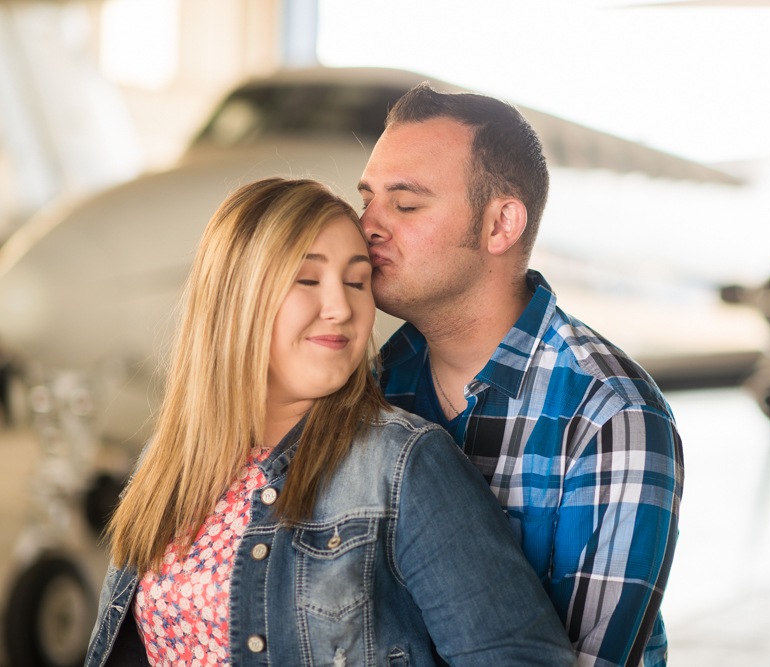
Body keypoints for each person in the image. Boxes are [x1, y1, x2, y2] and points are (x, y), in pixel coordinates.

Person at [84, 177, 576, 667]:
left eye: (357, 282)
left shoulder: (404, 465)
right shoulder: (166, 463)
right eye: (308, 279)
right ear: (236, 297)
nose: (342, 308)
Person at [358, 83, 685, 667]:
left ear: (500, 225)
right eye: (368, 199)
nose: (369, 226)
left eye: (405, 204)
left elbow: (593, 660)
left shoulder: (610, 414)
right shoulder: (375, 385)